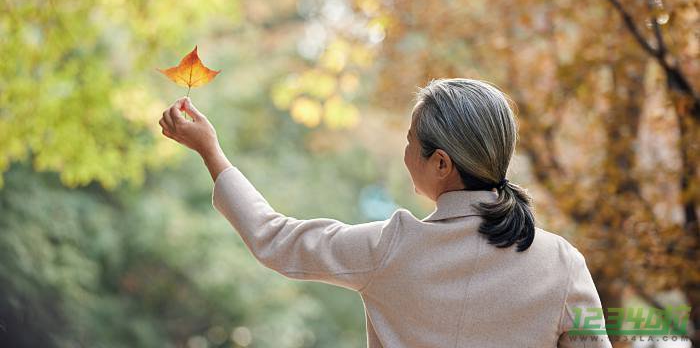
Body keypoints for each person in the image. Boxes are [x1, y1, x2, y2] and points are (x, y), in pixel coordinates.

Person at [159, 78, 611, 347]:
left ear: (441, 163)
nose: (405, 152)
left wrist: (211, 152)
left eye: (411, 140)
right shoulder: (561, 262)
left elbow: (275, 238)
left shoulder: (390, 249)